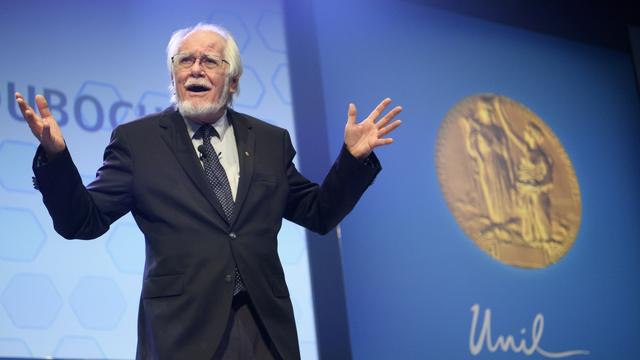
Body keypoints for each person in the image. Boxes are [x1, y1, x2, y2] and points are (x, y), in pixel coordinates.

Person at [15, 23, 402, 360]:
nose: (195, 68)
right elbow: (83, 220)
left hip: (264, 330)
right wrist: (56, 157)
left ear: (232, 81)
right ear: (173, 76)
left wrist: (351, 159)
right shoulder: (139, 141)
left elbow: (319, 213)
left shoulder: (270, 140)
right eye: (184, 60)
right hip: (181, 333)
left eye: (209, 61)